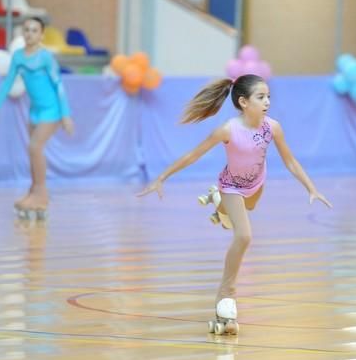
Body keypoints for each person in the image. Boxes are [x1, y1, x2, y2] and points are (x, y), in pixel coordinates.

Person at [137, 74, 331, 334]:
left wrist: (311, 187)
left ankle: (219, 204)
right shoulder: (228, 129)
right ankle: (226, 295)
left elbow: (290, 161)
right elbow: (193, 154)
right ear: (243, 102)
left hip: (256, 186)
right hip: (231, 186)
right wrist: (161, 177)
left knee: (238, 216)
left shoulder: (272, 127)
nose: (267, 102)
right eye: (261, 97)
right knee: (244, 236)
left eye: (268, 97)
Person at [0, 17, 74, 218]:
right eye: (26, 30)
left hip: (52, 110)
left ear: (41, 35)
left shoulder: (45, 57)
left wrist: (66, 114)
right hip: (34, 111)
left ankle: (42, 194)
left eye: (34, 30)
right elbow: (8, 82)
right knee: (34, 152)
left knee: (35, 147)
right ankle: (33, 191)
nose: (30, 34)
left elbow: (58, 85)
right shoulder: (18, 57)